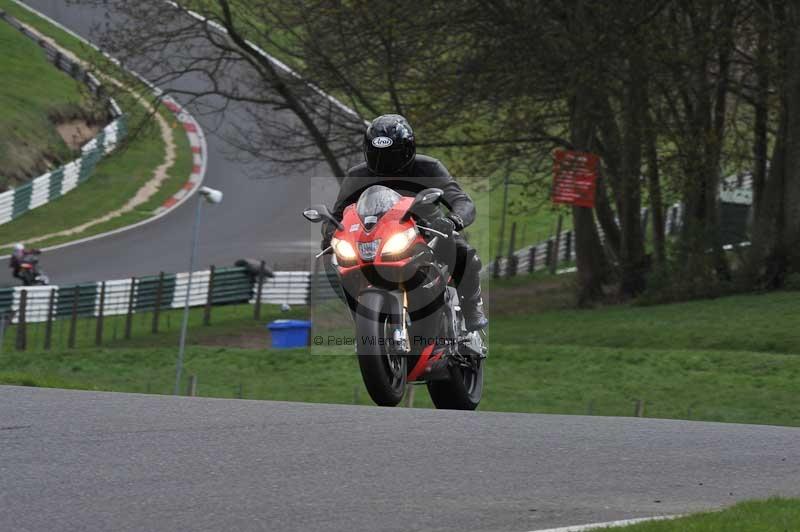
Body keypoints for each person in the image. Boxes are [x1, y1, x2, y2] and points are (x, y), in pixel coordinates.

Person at [323, 114, 488, 331]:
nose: (384, 163)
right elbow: (338, 214)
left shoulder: (429, 168)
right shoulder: (357, 176)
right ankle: (362, 316)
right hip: (376, 239)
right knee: (337, 261)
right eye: (377, 156)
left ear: (408, 149)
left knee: (461, 250)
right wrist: (330, 233)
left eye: (391, 156)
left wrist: (453, 220)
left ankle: (472, 305)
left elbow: (461, 200)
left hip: (427, 231)